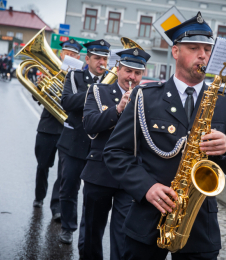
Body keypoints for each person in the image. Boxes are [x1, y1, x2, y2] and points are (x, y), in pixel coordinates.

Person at [103, 12, 226, 260]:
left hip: (199, 225)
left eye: (207, 49)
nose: (203, 55)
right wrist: (146, 187)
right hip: (147, 218)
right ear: (175, 52)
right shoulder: (145, 97)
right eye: (194, 48)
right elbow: (115, 152)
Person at [82, 48, 151, 259]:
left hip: (129, 176)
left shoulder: (147, 98)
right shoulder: (98, 91)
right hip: (99, 171)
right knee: (92, 232)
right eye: (128, 71)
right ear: (118, 69)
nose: (132, 77)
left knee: (123, 236)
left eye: (138, 73)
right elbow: (89, 124)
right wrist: (118, 109)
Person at [56, 39, 110, 249]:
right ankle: (68, 227)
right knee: (68, 187)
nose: (102, 62)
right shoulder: (75, 76)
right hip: (74, 141)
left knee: (93, 194)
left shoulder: (112, 81)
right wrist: (94, 91)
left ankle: (87, 234)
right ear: (87, 59)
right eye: (97, 58)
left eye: (105, 58)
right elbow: (67, 102)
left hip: (98, 145)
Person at [32, 39, 83, 224]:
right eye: (66, 53)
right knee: (42, 165)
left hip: (68, 129)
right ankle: (39, 196)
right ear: (60, 55)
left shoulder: (81, 77)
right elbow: (38, 98)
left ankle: (57, 208)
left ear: (78, 57)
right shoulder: (50, 71)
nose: (69, 56)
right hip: (47, 126)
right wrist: (39, 86)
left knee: (64, 173)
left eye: (73, 54)